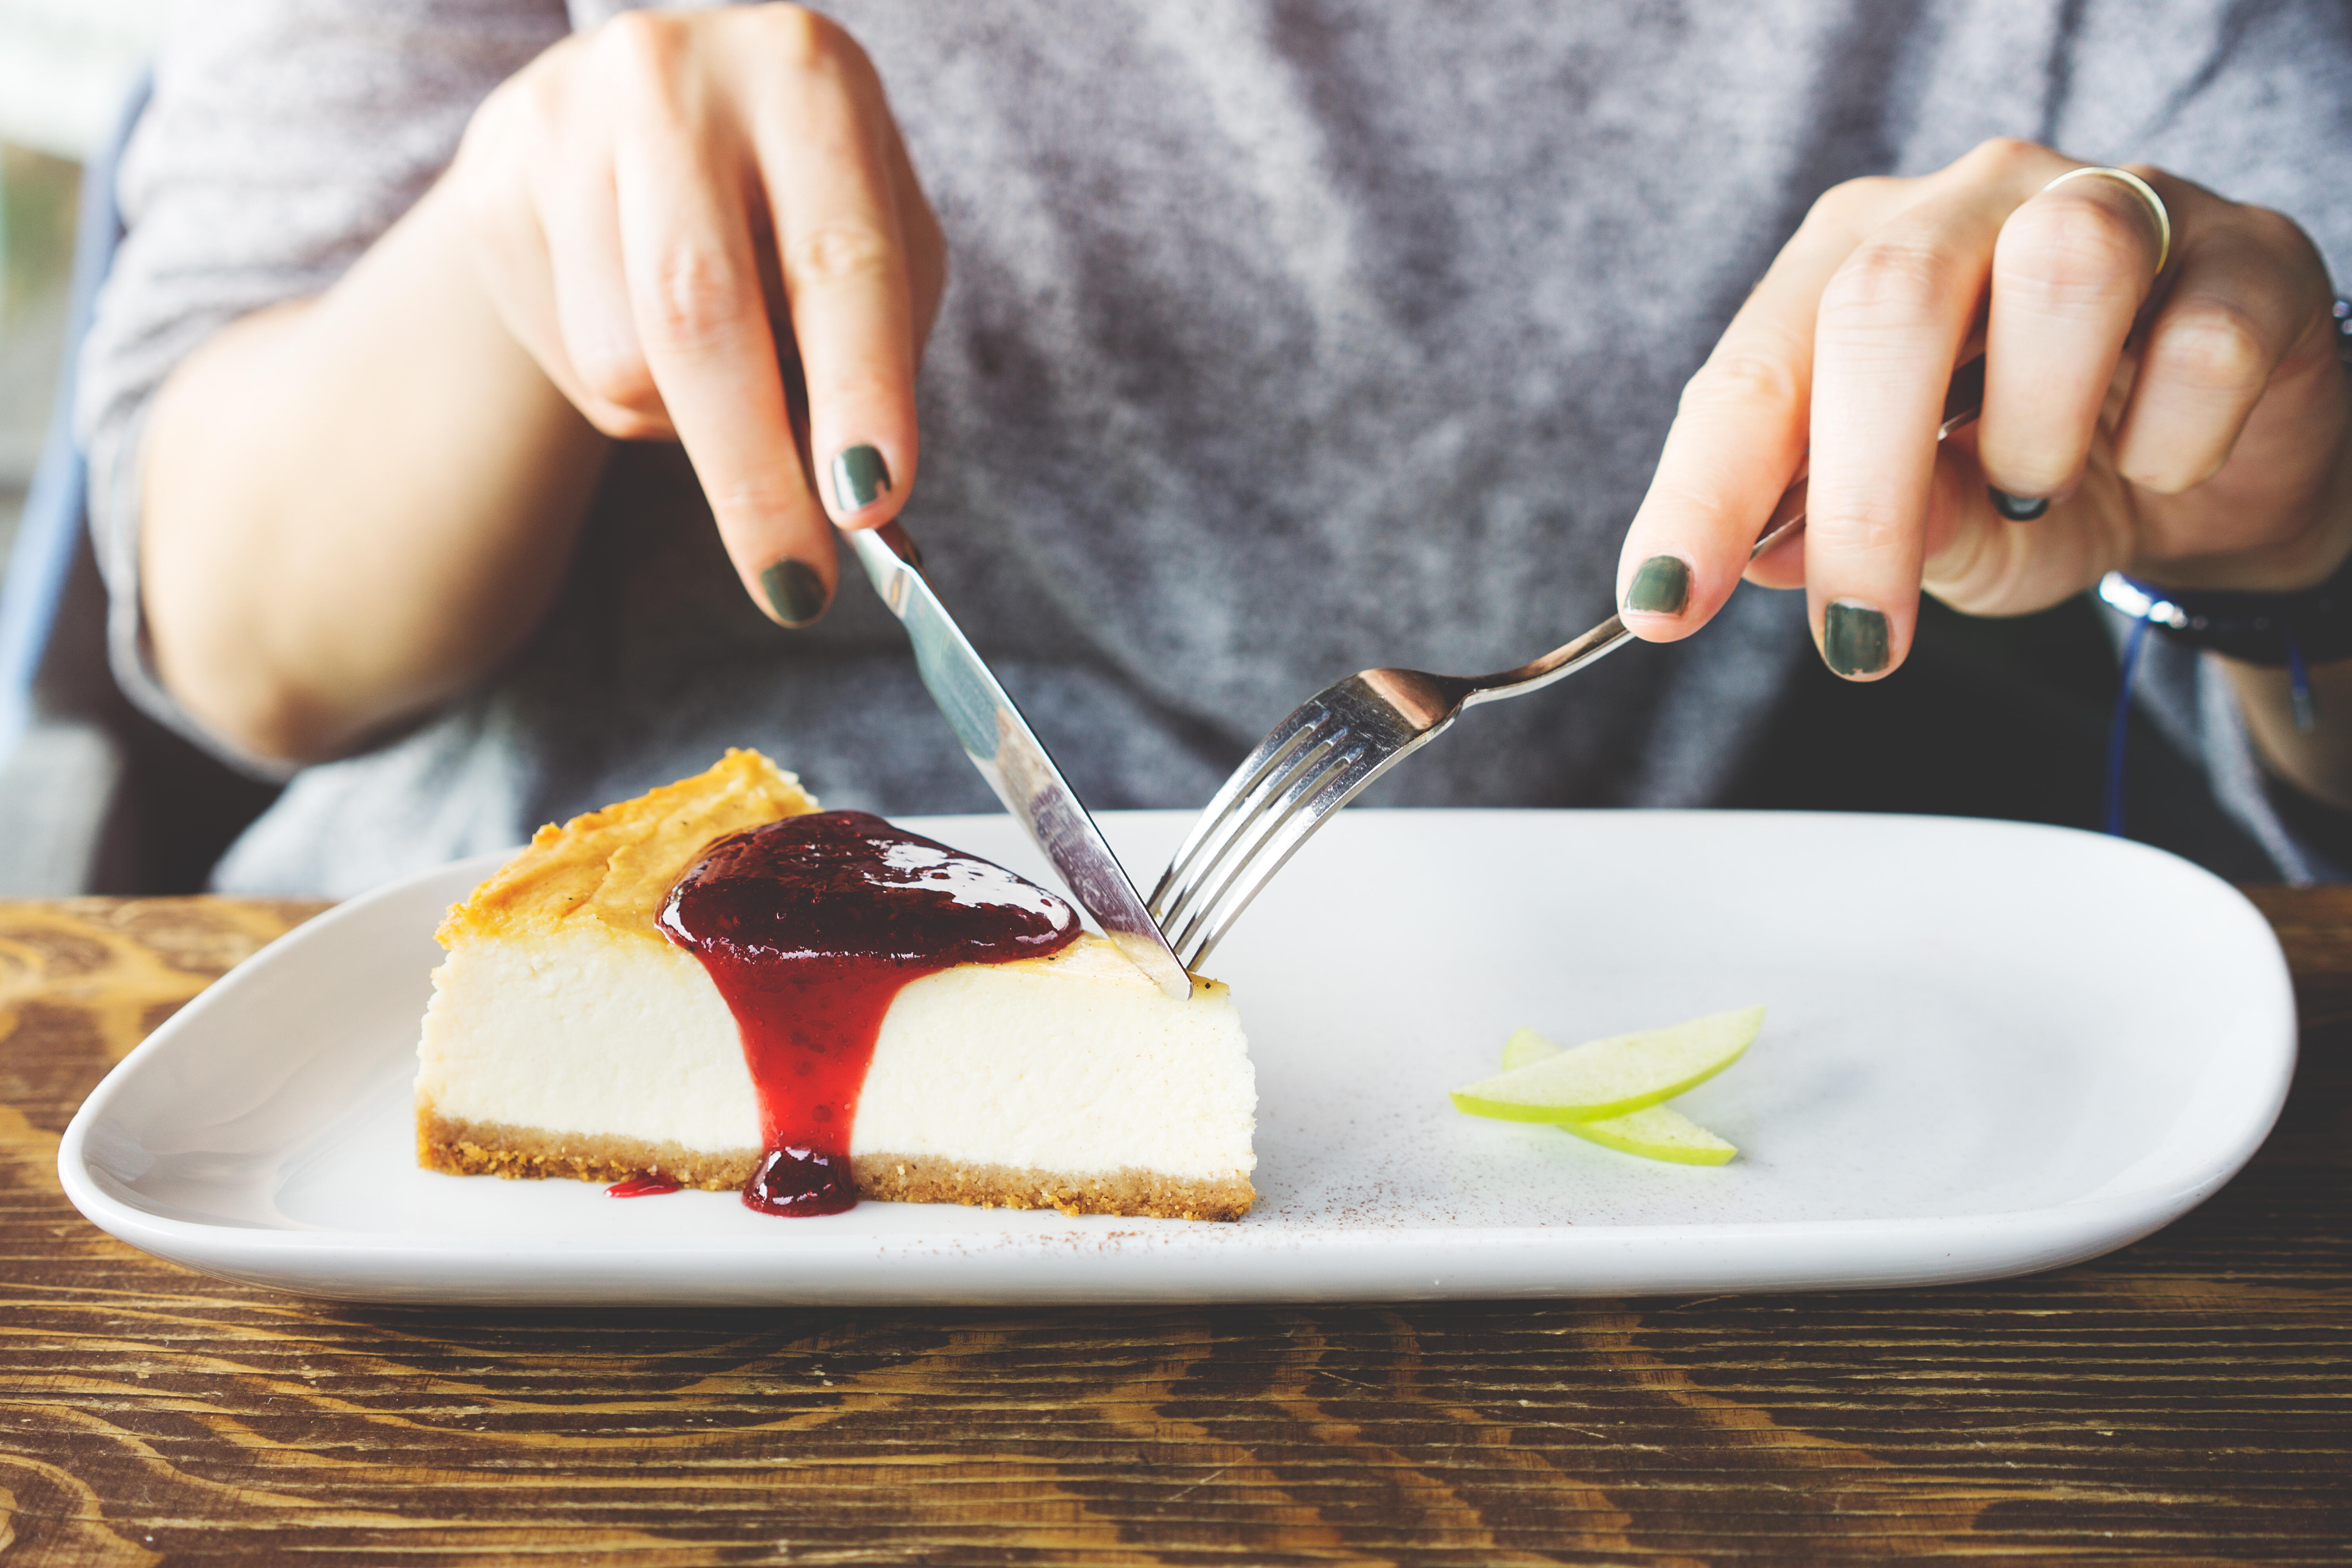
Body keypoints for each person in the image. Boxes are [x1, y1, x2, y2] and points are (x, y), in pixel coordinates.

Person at [78, 1, 2352, 897]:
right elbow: (240, 640)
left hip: (1497, 1143)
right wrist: (503, 252)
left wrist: (2298, 541)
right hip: (481, 1107)